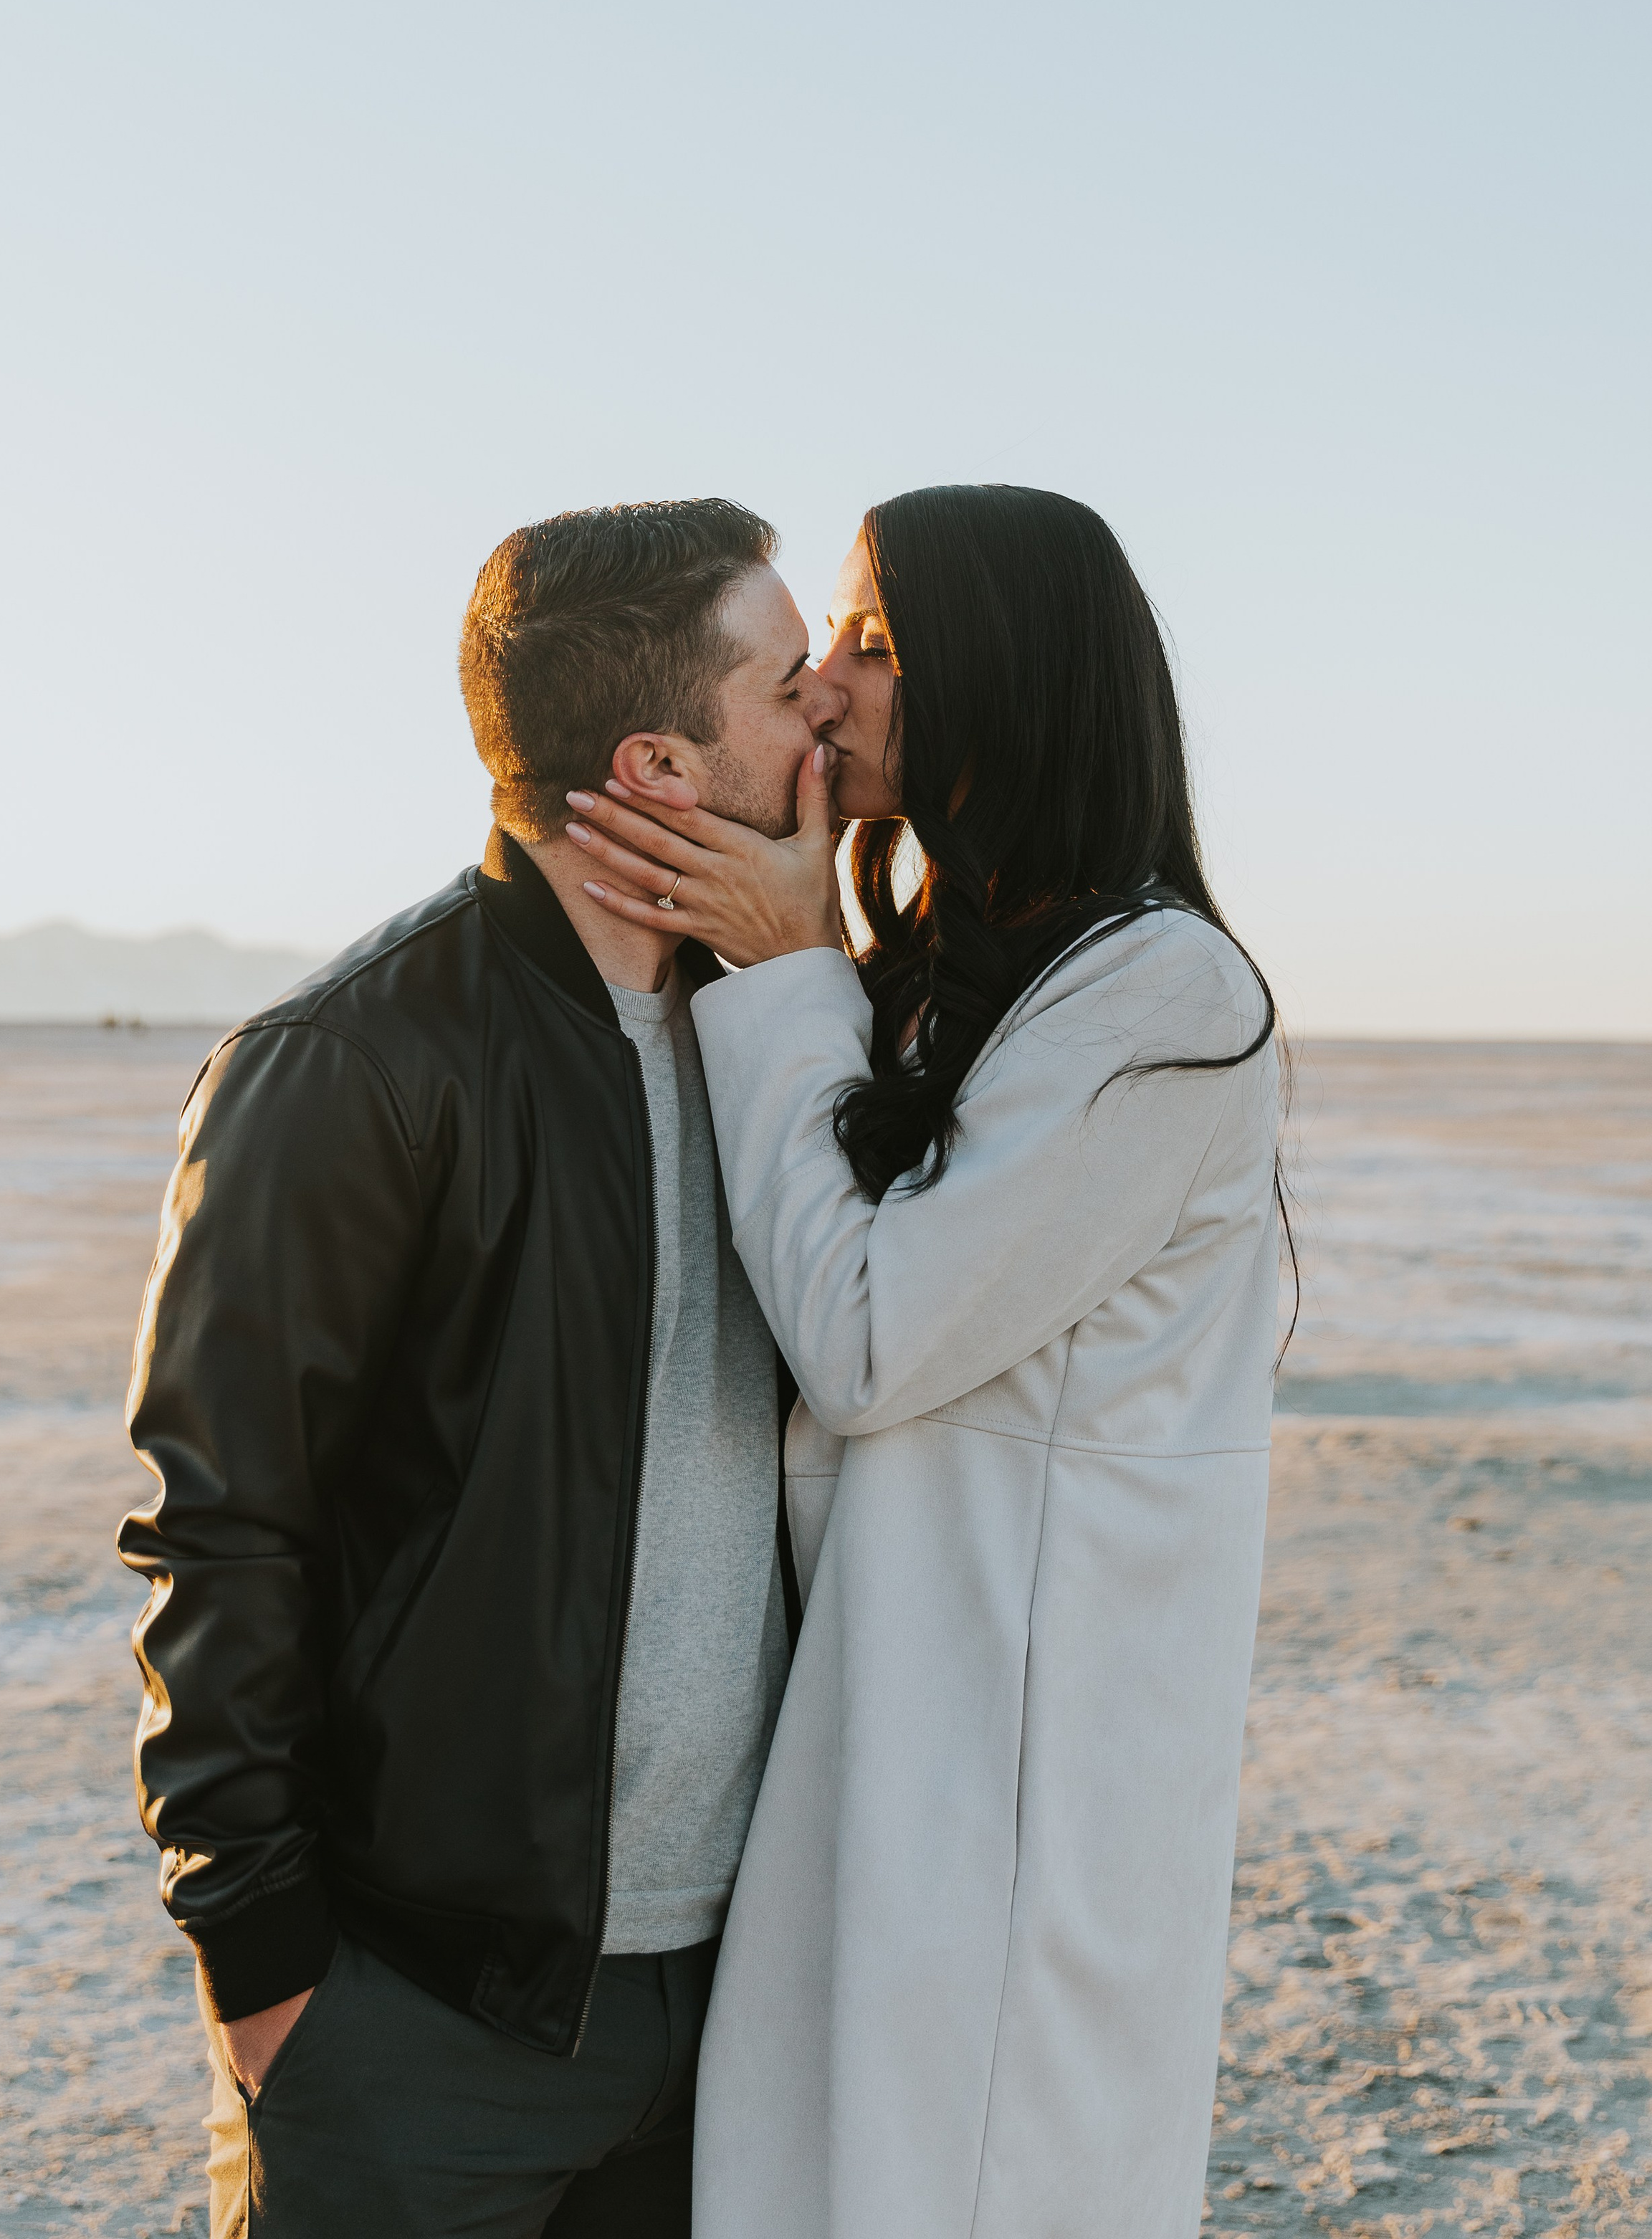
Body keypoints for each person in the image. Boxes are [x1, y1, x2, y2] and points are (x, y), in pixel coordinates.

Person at [563, 482, 1289, 2239]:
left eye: (875, 642)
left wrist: (786, 964)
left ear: (1008, 670)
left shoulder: (1166, 1001)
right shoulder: (944, 984)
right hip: (887, 1739)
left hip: (1016, 1782)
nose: (821, 686)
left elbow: (871, 1338)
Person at [118, 497, 841, 2239]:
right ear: (658, 764)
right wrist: (267, 1968)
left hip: (727, 1998)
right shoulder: (347, 1064)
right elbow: (219, 1531)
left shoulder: (781, 1037)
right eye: (786, 682)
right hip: (415, 2007)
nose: (824, 712)